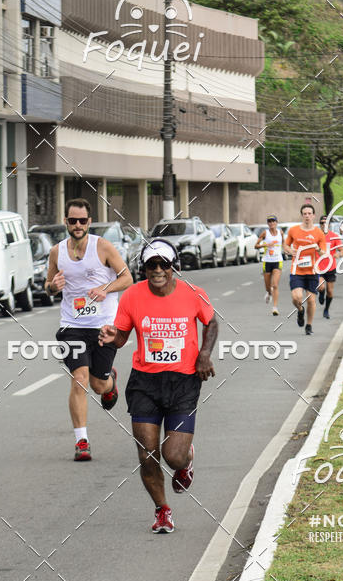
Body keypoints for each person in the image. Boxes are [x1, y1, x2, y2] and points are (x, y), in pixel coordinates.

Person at [98, 240, 218, 534]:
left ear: (174, 266)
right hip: (145, 383)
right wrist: (110, 335)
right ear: (144, 269)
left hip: (184, 382)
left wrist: (204, 355)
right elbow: (122, 337)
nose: (158, 270)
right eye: (152, 265)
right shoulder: (132, 296)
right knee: (147, 452)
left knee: (172, 455)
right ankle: (162, 510)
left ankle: (186, 459)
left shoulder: (192, 294)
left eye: (164, 264)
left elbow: (212, 322)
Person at [45, 198, 133, 461]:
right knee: (79, 378)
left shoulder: (103, 247)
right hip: (72, 326)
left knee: (97, 384)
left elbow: (127, 277)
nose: (78, 225)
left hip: (104, 326)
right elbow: (48, 285)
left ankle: (110, 383)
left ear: (89, 222)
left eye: (83, 220)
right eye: (73, 221)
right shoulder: (56, 252)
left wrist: (105, 289)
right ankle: (81, 441)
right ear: (66, 222)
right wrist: (53, 286)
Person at [284, 203, 327, 336]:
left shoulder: (319, 233)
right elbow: (285, 245)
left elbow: (323, 253)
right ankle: (300, 310)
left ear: (313, 216)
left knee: (311, 300)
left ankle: (309, 325)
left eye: (309, 214)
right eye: (305, 214)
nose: (307, 216)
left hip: (312, 271)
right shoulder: (293, 230)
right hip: (297, 270)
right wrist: (291, 251)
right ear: (302, 215)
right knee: (296, 297)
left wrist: (317, 248)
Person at [255, 214, 284, 315]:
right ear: (268, 224)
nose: (271, 223)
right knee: (268, 287)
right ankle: (268, 292)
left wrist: (288, 250)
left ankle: (275, 308)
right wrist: (265, 244)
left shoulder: (281, 233)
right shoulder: (265, 233)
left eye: (273, 221)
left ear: (276, 223)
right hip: (267, 261)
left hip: (277, 261)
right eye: (269, 221)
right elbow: (256, 245)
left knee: (275, 285)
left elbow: (283, 244)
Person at [317, 215, 343, 319]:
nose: (324, 225)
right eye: (322, 223)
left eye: (326, 223)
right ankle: (321, 293)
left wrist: (338, 254)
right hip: (319, 267)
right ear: (320, 224)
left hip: (331, 267)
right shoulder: (316, 236)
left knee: (330, 292)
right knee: (321, 287)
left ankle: (326, 309)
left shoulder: (334, 236)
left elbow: (342, 251)